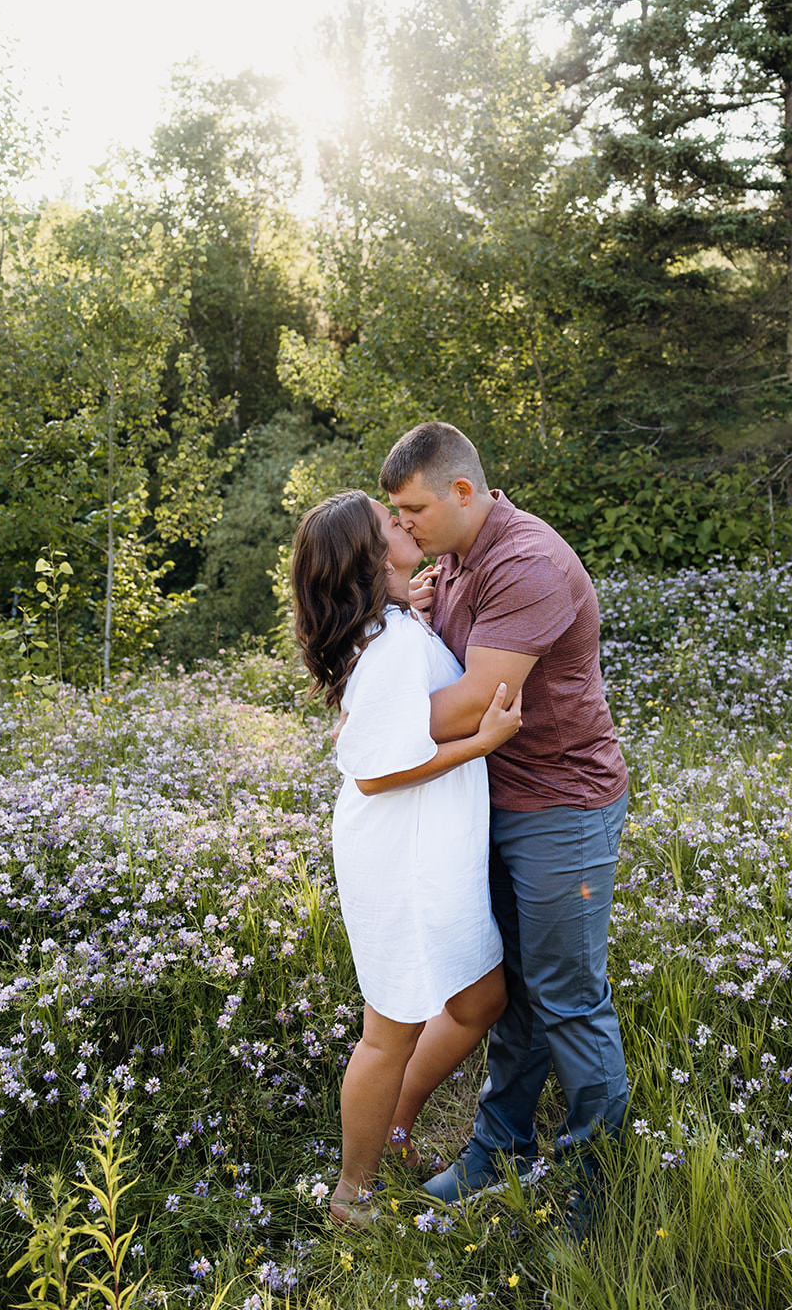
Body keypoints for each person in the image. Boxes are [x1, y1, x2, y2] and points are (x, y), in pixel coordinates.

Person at [378, 423, 629, 1220]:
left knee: (566, 997)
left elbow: (468, 704)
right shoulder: (452, 560)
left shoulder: (527, 562)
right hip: (490, 800)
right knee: (512, 990)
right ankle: (500, 1150)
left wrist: (365, 728)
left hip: (562, 806)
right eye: (394, 510)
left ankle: (595, 1187)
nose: (402, 524)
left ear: (461, 492)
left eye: (411, 507)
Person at [290, 488, 522, 1226]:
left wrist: (414, 608)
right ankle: (352, 1197)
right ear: (371, 554)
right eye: (391, 522)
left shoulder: (394, 626)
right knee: (388, 1028)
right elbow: (372, 769)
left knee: (480, 1000)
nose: (405, 523)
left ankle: (394, 1129)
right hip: (399, 853)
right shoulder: (387, 644)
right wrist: (481, 743)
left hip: (430, 847)